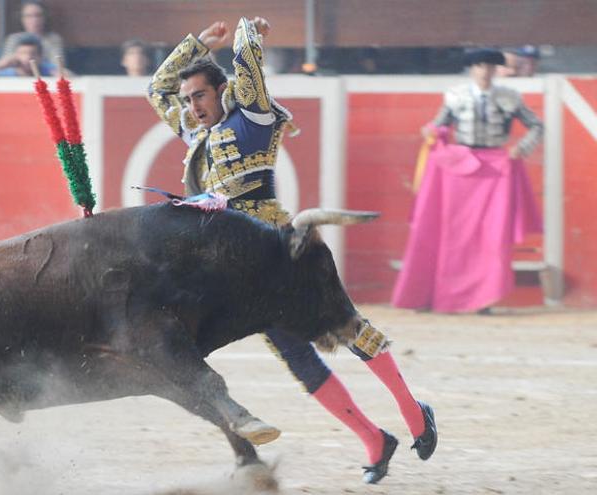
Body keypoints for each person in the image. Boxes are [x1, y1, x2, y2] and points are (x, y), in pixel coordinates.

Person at [148, 17, 437, 484]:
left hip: (285, 252)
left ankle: (413, 411)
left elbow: (248, 68)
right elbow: (158, 87)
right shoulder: (194, 132)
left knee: (346, 328)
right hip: (236, 269)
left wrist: (246, 33)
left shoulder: (254, 117)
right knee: (298, 359)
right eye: (189, 100)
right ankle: (373, 440)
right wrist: (198, 44)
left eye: (200, 95)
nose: (192, 106)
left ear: (223, 90)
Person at [392, 48, 543, 313]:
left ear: (496, 70)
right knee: (454, 234)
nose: (485, 71)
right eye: (480, 66)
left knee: (491, 236)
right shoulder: (456, 96)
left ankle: (481, 299)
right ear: (472, 69)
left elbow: (537, 126)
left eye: (490, 67)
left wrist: (523, 147)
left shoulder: (509, 97)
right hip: (459, 169)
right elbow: (438, 126)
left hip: (496, 170)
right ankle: (437, 295)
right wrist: (430, 131)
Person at [2, 0, 64, 65]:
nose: (34, 20)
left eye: (38, 15)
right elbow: (5, 64)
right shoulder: (13, 39)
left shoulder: (54, 39)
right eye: (29, 16)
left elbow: (58, 65)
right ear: (22, 19)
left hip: (46, 74)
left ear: (45, 18)